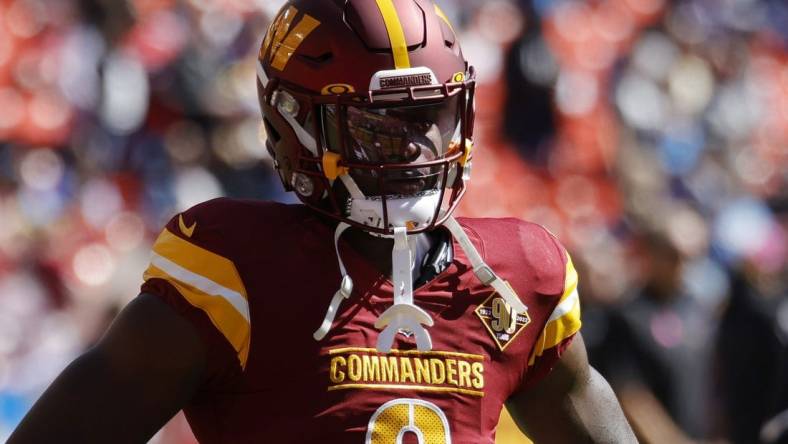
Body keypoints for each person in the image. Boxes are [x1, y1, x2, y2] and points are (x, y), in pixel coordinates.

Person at [8, 1, 636, 442]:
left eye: (430, 118)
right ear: (294, 125)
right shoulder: (236, 272)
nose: (416, 148)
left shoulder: (518, 276)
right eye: (377, 126)